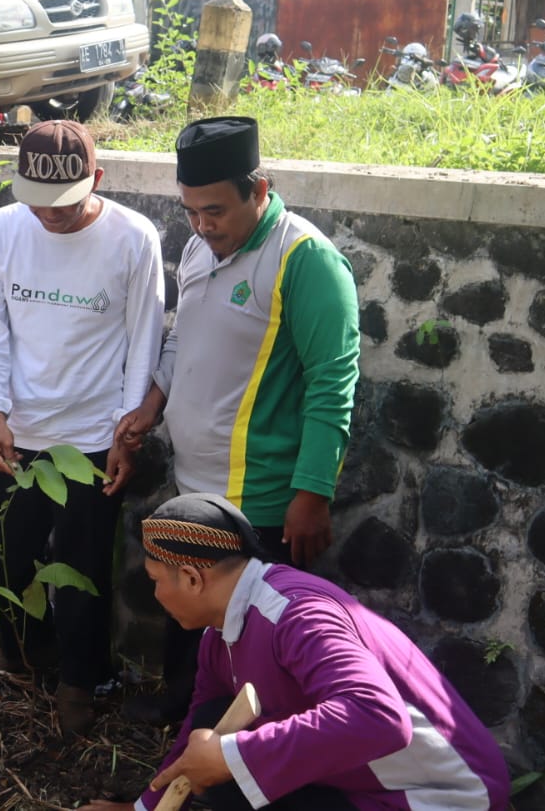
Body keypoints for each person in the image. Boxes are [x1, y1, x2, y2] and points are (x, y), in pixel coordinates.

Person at [116, 117, 360, 724]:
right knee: (189, 615)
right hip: (194, 487)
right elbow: (183, 338)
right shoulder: (201, 247)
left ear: (261, 189)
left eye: (216, 210)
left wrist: (313, 493)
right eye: (191, 210)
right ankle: (185, 716)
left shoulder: (304, 259)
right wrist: (153, 402)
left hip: (262, 498)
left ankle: (243, 751)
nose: (202, 225)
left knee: (251, 638)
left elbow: (333, 383)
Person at [74, 494, 509, 811]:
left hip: (441, 797)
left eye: (155, 579)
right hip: (354, 782)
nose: (154, 593)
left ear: (191, 578)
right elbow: (201, 726)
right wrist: (144, 808)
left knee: (228, 769)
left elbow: (379, 717)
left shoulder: (297, 616)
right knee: (218, 778)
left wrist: (233, 757)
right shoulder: (220, 634)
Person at [0, 118, 164, 734]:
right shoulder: (1, 231)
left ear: (96, 179)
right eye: (37, 201)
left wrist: (124, 438)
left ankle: (80, 679)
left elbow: (144, 341)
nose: (49, 215)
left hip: (90, 442)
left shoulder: (133, 238)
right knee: (10, 558)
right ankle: (26, 655)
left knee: (82, 572)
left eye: (65, 202)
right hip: (15, 437)